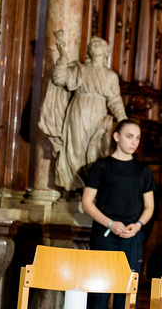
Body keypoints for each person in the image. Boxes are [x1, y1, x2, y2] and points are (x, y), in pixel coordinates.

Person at [82, 119, 154, 309]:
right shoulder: (101, 166)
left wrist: (138, 225)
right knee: (98, 291)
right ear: (116, 137)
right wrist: (110, 223)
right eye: (129, 136)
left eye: (137, 138)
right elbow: (87, 202)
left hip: (131, 236)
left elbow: (149, 206)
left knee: (127, 291)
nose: (134, 142)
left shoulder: (143, 170)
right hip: (105, 233)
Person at [41, 34, 127, 191]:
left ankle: (93, 189)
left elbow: (115, 101)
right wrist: (63, 57)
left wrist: (124, 121)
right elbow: (59, 79)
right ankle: (76, 188)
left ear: (106, 51)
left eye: (98, 43)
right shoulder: (80, 70)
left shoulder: (110, 76)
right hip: (78, 114)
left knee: (97, 151)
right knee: (76, 150)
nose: (93, 44)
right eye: (91, 44)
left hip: (98, 115)